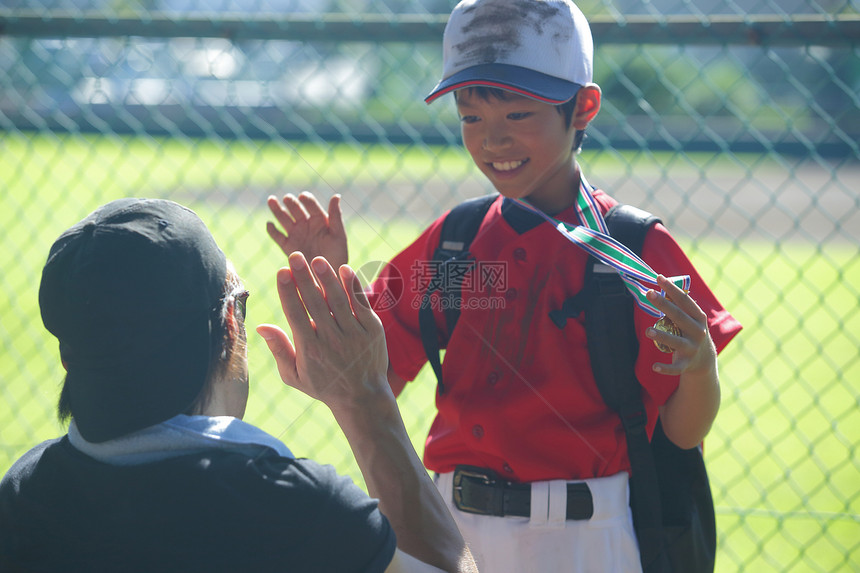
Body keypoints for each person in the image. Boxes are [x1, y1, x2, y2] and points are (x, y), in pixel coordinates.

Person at [265, 0, 742, 571]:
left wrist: (698, 367)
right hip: (446, 524)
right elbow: (375, 379)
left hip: (584, 536)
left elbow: (684, 435)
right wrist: (335, 286)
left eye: (517, 115)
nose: (492, 140)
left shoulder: (633, 251)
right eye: (471, 119)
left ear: (583, 107)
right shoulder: (456, 244)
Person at [0, 198, 477, 573]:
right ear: (230, 325)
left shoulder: (21, 494)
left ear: (69, 354)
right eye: (240, 302)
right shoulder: (294, 507)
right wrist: (366, 400)